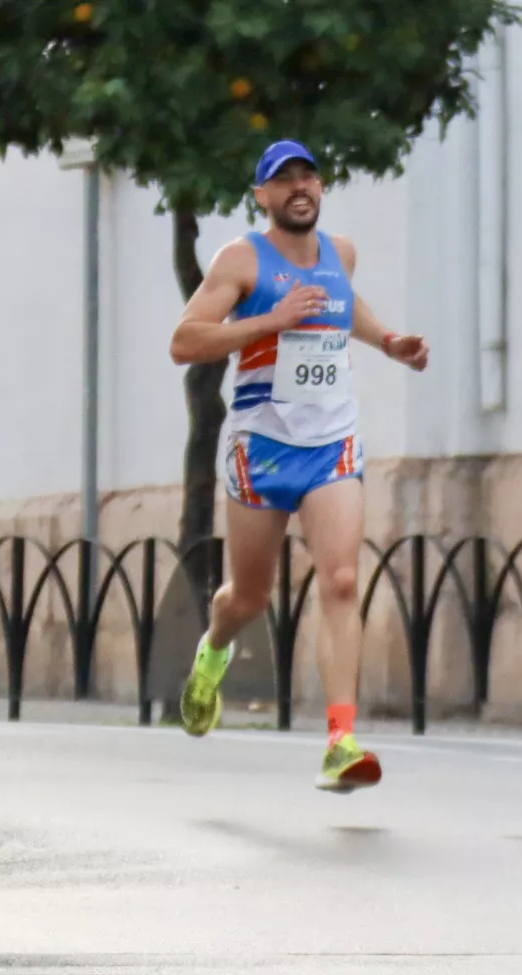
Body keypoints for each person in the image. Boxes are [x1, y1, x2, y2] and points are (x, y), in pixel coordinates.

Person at [169, 139, 429, 791]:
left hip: (332, 444)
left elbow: (346, 304)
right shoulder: (241, 259)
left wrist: (388, 341)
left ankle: (341, 740)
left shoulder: (340, 253)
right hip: (261, 447)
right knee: (248, 597)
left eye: (307, 175)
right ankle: (213, 650)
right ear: (262, 196)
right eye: (283, 179)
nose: (299, 186)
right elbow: (185, 340)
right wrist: (269, 321)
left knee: (341, 580)